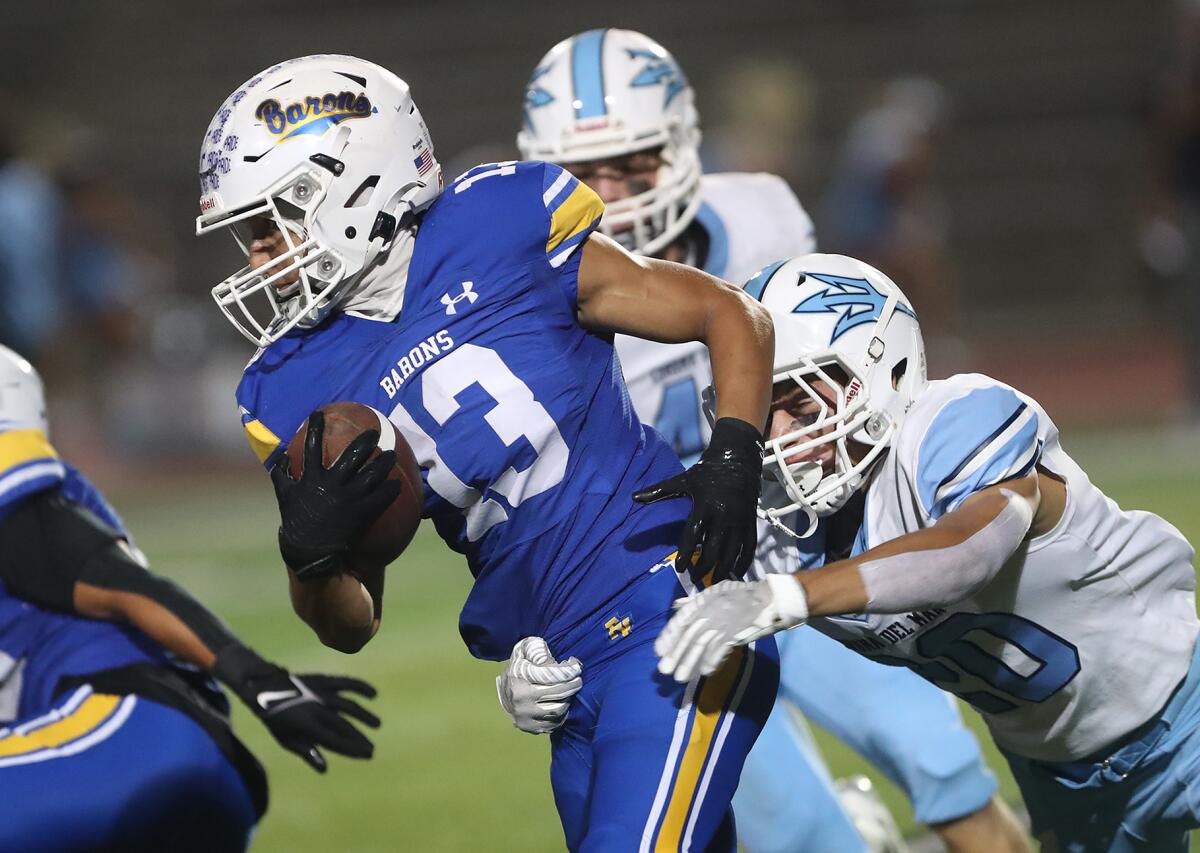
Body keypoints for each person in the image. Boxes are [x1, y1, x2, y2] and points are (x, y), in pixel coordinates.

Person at [194, 54, 778, 851]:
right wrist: (313, 556)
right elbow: (349, 622)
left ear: (348, 186)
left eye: (268, 223)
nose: (256, 256)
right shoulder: (289, 386)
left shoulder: (497, 225)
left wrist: (734, 458)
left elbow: (727, 311)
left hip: (671, 606)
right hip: (560, 672)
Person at [507, 28, 1015, 853]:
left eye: (632, 162)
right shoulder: (529, 301)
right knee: (801, 835)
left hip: (800, 545)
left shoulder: (760, 217)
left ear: (680, 146)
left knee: (943, 763)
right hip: (670, 603)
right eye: (583, 171)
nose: (612, 192)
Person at [656, 252, 1200, 852]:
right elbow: (636, 606)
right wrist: (543, 664)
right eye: (761, 412)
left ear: (887, 373)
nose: (777, 437)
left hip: (1186, 708)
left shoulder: (950, 425)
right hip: (1063, 778)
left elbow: (967, 552)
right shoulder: (778, 528)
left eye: (802, 405)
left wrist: (792, 597)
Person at [0, 345, 379, 852]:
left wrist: (260, 681)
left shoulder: (26, 514)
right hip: (170, 763)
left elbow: (126, 587)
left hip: (126, 734)